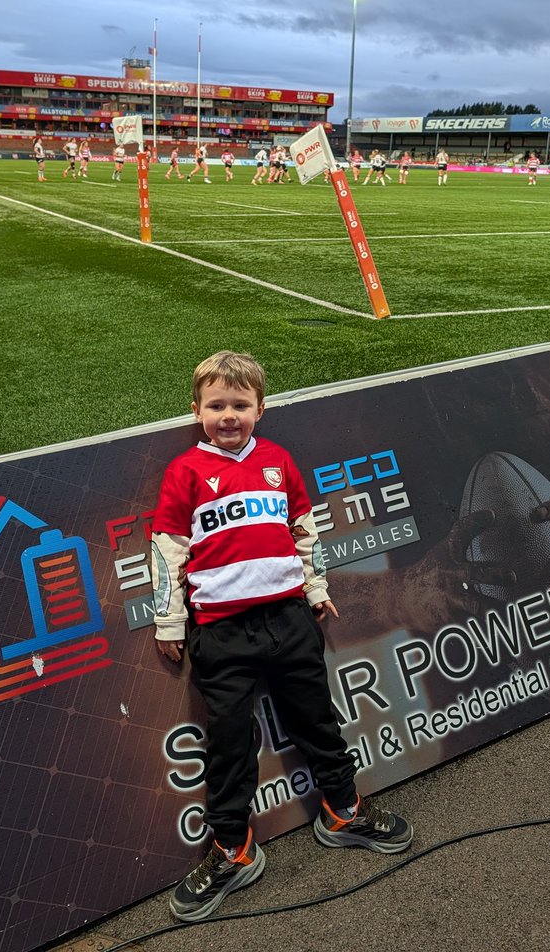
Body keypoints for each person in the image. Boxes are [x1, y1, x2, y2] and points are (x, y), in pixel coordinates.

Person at [151, 351, 413, 923]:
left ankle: (342, 811)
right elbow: (168, 550)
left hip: (290, 619)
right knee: (228, 743)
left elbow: (304, 529)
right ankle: (233, 849)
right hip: (221, 629)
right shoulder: (186, 472)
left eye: (240, 405)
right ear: (195, 410)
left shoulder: (277, 461)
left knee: (316, 718)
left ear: (260, 409)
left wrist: (316, 589)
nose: (228, 415)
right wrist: (169, 621)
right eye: (216, 405)